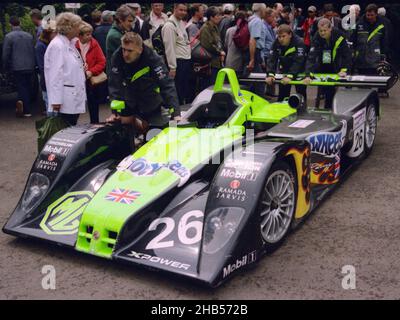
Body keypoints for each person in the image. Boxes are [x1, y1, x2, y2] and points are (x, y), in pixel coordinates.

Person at [107, 32, 180, 132]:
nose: (125, 54)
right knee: (124, 124)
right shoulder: (117, 56)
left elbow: (166, 85)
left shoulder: (153, 58)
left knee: (153, 130)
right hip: (128, 94)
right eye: (124, 49)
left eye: (130, 51)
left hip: (149, 96)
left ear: (140, 50)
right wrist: (114, 112)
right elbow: (115, 85)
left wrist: (176, 114)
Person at [44, 12, 86, 126]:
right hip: (64, 102)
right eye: (77, 26)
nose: (79, 29)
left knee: (69, 128)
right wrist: (56, 101)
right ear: (70, 27)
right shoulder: (58, 46)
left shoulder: (69, 44)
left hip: (70, 98)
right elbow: (55, 74)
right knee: (64, 131)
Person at [303, 18, 352, 109]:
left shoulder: (340, 36)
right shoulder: (317, 37)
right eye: (320, 31)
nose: (322, 33)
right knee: (324, 91)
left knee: (332, 93)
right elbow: (311, 57)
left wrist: (344, 70)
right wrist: (307, 74)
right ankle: (324, 109)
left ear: (330, 28)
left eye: (325, 30)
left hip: (337, 65)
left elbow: (347, 55)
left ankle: (331, 109)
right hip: (323, 65)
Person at [2, 16, 36, 117]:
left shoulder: (9, 37)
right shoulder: (29, 36)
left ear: (10, 24)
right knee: (29, 86)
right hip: (30, 66)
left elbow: (5, 54)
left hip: (17, 66)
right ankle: (25, 105)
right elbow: (32, 49)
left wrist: (5, 66)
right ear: (20, 23)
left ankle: (26, 110)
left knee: (22, 87)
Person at [266, 24, 307, 101]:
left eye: (283, 36)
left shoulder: (299, 42)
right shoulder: (276, 42)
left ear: (290, 35)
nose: (281, 39)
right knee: (282, 96)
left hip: (300, 71)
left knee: (301, 96)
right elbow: (271, 58)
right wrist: (270, 74)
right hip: (284, 70)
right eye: (279, 36)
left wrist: (290, 75)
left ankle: (302, 111)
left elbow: (299, 61)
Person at [162, 3, 193, 105]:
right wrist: (172, 67)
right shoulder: (169, 26)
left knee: (184, 90)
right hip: (178, 63)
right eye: (181, 10)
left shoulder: (180, 22)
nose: (183, 12)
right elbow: (169, 48)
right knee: (177, 92)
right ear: (174, 8)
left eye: (185, 10)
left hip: (185, 61)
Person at [76, 22, 106, 124]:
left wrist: (91, 72)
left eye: (90, 33)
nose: (90, 36)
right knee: (76, 106)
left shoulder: (94, 44)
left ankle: (94, 125)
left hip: (90, 80)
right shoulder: (73, 45)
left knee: (93, 105)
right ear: (79, 35)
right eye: (87, 34)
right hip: (77, 80)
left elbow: (102, 62)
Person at [352, 3, 390, 75]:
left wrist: (384, 57)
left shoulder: (382, 25)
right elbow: (353, 40)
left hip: (376, 61)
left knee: (375, 83)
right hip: (361, 60)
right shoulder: (359, 24)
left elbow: (384, 42)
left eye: (372, 15)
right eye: (368, 15)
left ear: (376, 14)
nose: (369, 17)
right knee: (362, 84)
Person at [199, 6, 225, 90]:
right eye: (217, 15)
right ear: (211, 17)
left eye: (220, 15)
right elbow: (207, 44)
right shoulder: (206, 27)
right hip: (209, 63)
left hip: (217, 61)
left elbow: (218, 42)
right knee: (209, 87)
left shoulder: (215, 26)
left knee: (216, 86)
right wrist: (219, 52)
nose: (219, 17)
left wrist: (221, 51)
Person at [106, 5, 137, 74]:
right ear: (120, 20)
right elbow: (129, 57)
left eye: (132, 21)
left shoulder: (122, 31)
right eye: (129, 21)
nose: (132, 24)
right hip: (117, 76)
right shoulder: (115, 36)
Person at [35, 20, 57, 116]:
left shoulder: (48, 43)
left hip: (52, 80)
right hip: (47, 81)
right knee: (51, 106)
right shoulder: (41, 46)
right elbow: (43, 67)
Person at [247, 3, 267, 95]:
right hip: (255, 52)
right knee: (259, 80)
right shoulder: (257, 21)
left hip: (254, 52)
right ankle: (260, 101)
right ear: (261, 10)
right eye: (265, 9)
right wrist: (252, 59)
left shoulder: (251, 19)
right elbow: (253, 40)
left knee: (254, 79)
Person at [225, 11, 247, 76]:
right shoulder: (245, 31)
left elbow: (226, 45)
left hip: (229, 61)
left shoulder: (229, 30)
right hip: (239, 62)